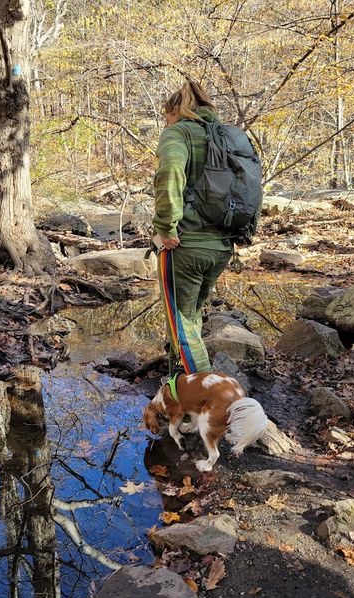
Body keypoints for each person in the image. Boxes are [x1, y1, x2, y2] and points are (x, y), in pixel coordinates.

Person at [153, 80, 233, 377]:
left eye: (167, 115)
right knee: (191, 317)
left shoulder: (179, 132)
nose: (166, 121)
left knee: (181, 325)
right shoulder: (224, 135)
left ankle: (206, 392)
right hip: (221, 244)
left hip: (186, 245)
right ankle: (180, 384)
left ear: (175, 110)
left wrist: (166, 227)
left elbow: (171, 170)